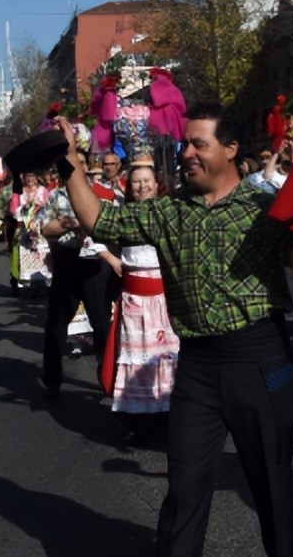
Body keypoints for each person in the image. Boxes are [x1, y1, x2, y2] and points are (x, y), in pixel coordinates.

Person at [51, 106, 293, 557]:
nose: (186, 153)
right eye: (185, 144)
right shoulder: (168, 212)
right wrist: (68, 162)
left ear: (230, 149)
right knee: (183, 492)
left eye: (198, 144)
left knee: (273, 494)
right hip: (197, 371)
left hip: (260, 361)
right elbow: (99, 222)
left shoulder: (266, 208)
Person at [37, 152, 120, 397]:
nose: (76, 167)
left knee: (102, 324)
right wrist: (69, 224)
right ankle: (52, 378)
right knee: (56, 323)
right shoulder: (56, 196)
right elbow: (44, 227)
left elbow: (114, 225)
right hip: (67, 260)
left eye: (81, 163)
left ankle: (109, 378)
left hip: (95, 265)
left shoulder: (103, 194)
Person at [108, 160, 180, 431]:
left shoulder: (169, 211)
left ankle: (168, 415)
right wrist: (112, 260)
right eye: (137, 181)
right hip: (135, 304)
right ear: (130, 186)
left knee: (167, 357)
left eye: (147, 180)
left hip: (164, 302)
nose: (143, 185)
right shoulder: (121, 214)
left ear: (156, 183)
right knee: (137, 359)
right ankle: (137, 420)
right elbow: (94, 237)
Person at [9, 171, 51, 294]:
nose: (30, 179)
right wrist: (24, 208)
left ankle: (42, 284)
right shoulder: (19, 193)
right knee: (26, 255)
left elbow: (49, 207)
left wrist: (39, 207)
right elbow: (13, 210)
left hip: (39, 228)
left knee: (41, 256)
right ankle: (28, 286)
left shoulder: (43, 190)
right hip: (24, 228)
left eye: (33, 176)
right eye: (28, 176)